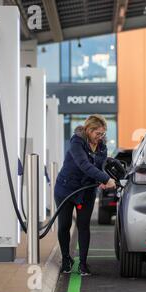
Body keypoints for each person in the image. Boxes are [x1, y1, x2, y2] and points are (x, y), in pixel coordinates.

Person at [54, 114, 116, 276]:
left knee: (83, 226)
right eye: (98, 133)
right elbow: (84, 165)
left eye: (103, 134)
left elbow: (99, 166)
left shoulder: (102, 146)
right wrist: (105, 179)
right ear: (89, 130)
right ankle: (66, 260)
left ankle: (82, 263)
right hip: (66, 189)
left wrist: (102, 178)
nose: (100, 137)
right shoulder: (77, 142)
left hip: (87, 190)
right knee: (64, 225)